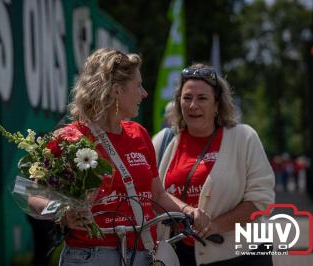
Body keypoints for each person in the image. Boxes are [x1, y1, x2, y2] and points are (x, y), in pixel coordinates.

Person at [52, 49, 210, 266]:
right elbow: (32, 193)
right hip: (90, 257)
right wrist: (62, 213)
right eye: (138, 85)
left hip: (143, 254)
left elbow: (158, 195)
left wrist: (189, 211)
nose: (144, 93)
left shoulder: (139, 134)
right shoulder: (71, 137)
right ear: (117, 90)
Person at [152, 63, 275, 266]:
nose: (193, 105)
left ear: (217, 104)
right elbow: (149, 192)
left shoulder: (244, 137)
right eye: (187, 98)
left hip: (240, 257)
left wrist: (215, 226)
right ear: (178, 102)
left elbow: (261, 200)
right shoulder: (163, 141)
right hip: (180, 256)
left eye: (202, 98)